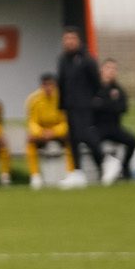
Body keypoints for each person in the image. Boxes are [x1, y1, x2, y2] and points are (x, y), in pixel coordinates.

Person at [56, 27, 106, 178]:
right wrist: (62, 104)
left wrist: (94, 101)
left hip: (85, 107)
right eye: (67, 39)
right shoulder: (62, 60)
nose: (69, 42)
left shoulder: (87, 60)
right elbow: (62, 83)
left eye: (72, 39)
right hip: (70, 107)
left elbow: (97, 83)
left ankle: (105, 161)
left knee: (86, 135)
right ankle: (77, 172)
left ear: (78, 41)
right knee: (73, 140)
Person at [24, 72, 73, 189]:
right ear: (41, 86)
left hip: (57, 132)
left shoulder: (63, 99)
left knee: (71, 139)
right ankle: (35, 176)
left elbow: (66, 122)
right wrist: (40, 132)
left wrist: (54, 132)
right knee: (30, 141)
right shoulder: (34, 100)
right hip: (42, 133)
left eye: (51, 85)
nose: (48, 88)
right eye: (45, 85)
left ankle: (70, 173)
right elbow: (32, 122)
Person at [93, 60, 135, 180]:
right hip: (98, 127)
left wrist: (103, 104)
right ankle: (103, 168)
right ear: (102, 70)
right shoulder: (94, 88)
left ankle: (125, 167)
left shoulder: (118, 90)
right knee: (92, 142)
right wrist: (110, 103)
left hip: (114, 127)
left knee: (132, 140)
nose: (111, 71)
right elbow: (92, 107)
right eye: (108, 68)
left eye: (114, 69)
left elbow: (123, 108)